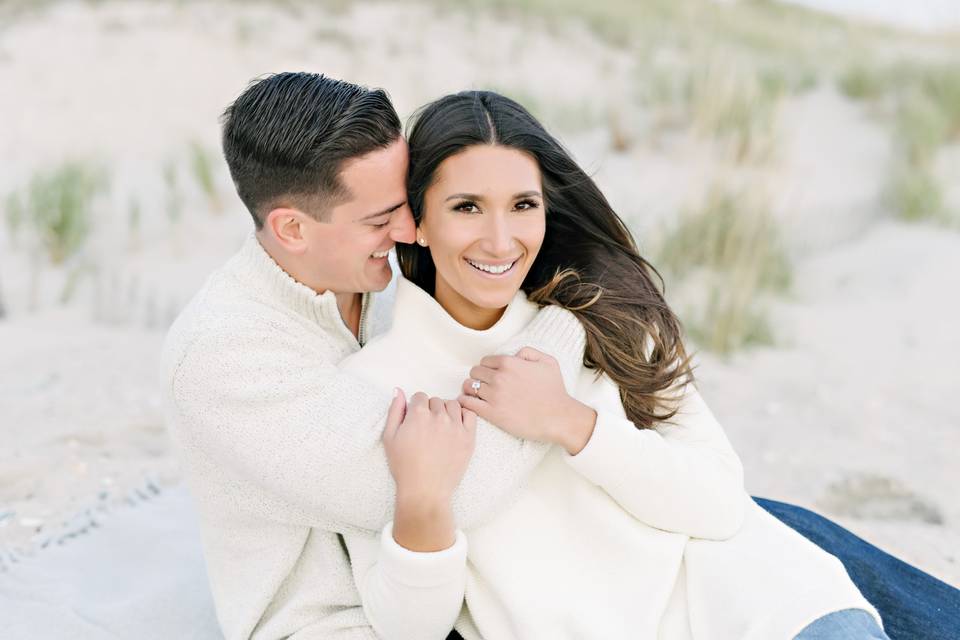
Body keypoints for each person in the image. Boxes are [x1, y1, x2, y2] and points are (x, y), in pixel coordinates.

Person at [335, 90, 890, 640]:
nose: (501, 240)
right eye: (467, 207)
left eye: (524, 206)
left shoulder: (602, 317)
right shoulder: (373, 391)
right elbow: (409, 627)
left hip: (762, 608)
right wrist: (423, 499)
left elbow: (721, 505)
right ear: (419, 223)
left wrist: (569, 422)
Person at [161, 73, 589, 640]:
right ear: (292, 228)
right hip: (345, 624)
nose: (411, 229)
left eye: (407, 204)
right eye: (381, 218)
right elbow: (453, 490)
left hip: (476, 590)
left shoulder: (375, 280)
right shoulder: (224, 357)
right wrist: (569, 328)